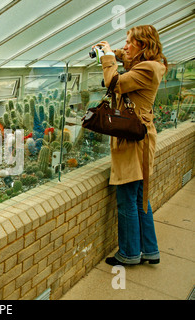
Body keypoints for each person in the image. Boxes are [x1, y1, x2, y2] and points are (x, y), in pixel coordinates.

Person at [94, 25, 168, 266]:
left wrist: (107, 58)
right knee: (140, 198)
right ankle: (149, 250)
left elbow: (114, 82)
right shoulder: (151, 64)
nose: (125, 47)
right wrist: (111, 52)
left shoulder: (146, 68)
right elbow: (126, 58)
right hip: (142, 138)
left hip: (134, 142)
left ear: (143, 46)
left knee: (127, 198)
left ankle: (128, 254)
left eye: (129, 42)